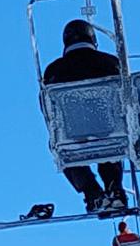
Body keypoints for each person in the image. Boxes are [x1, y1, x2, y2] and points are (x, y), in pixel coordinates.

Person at [41, 17, 129, 216]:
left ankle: (92, 193)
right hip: (108, 129)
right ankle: (114, 189)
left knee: (62, 146)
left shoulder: (53, 70)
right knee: (110, 140)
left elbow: (47, 108)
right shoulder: (111, 63)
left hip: (73, 133)